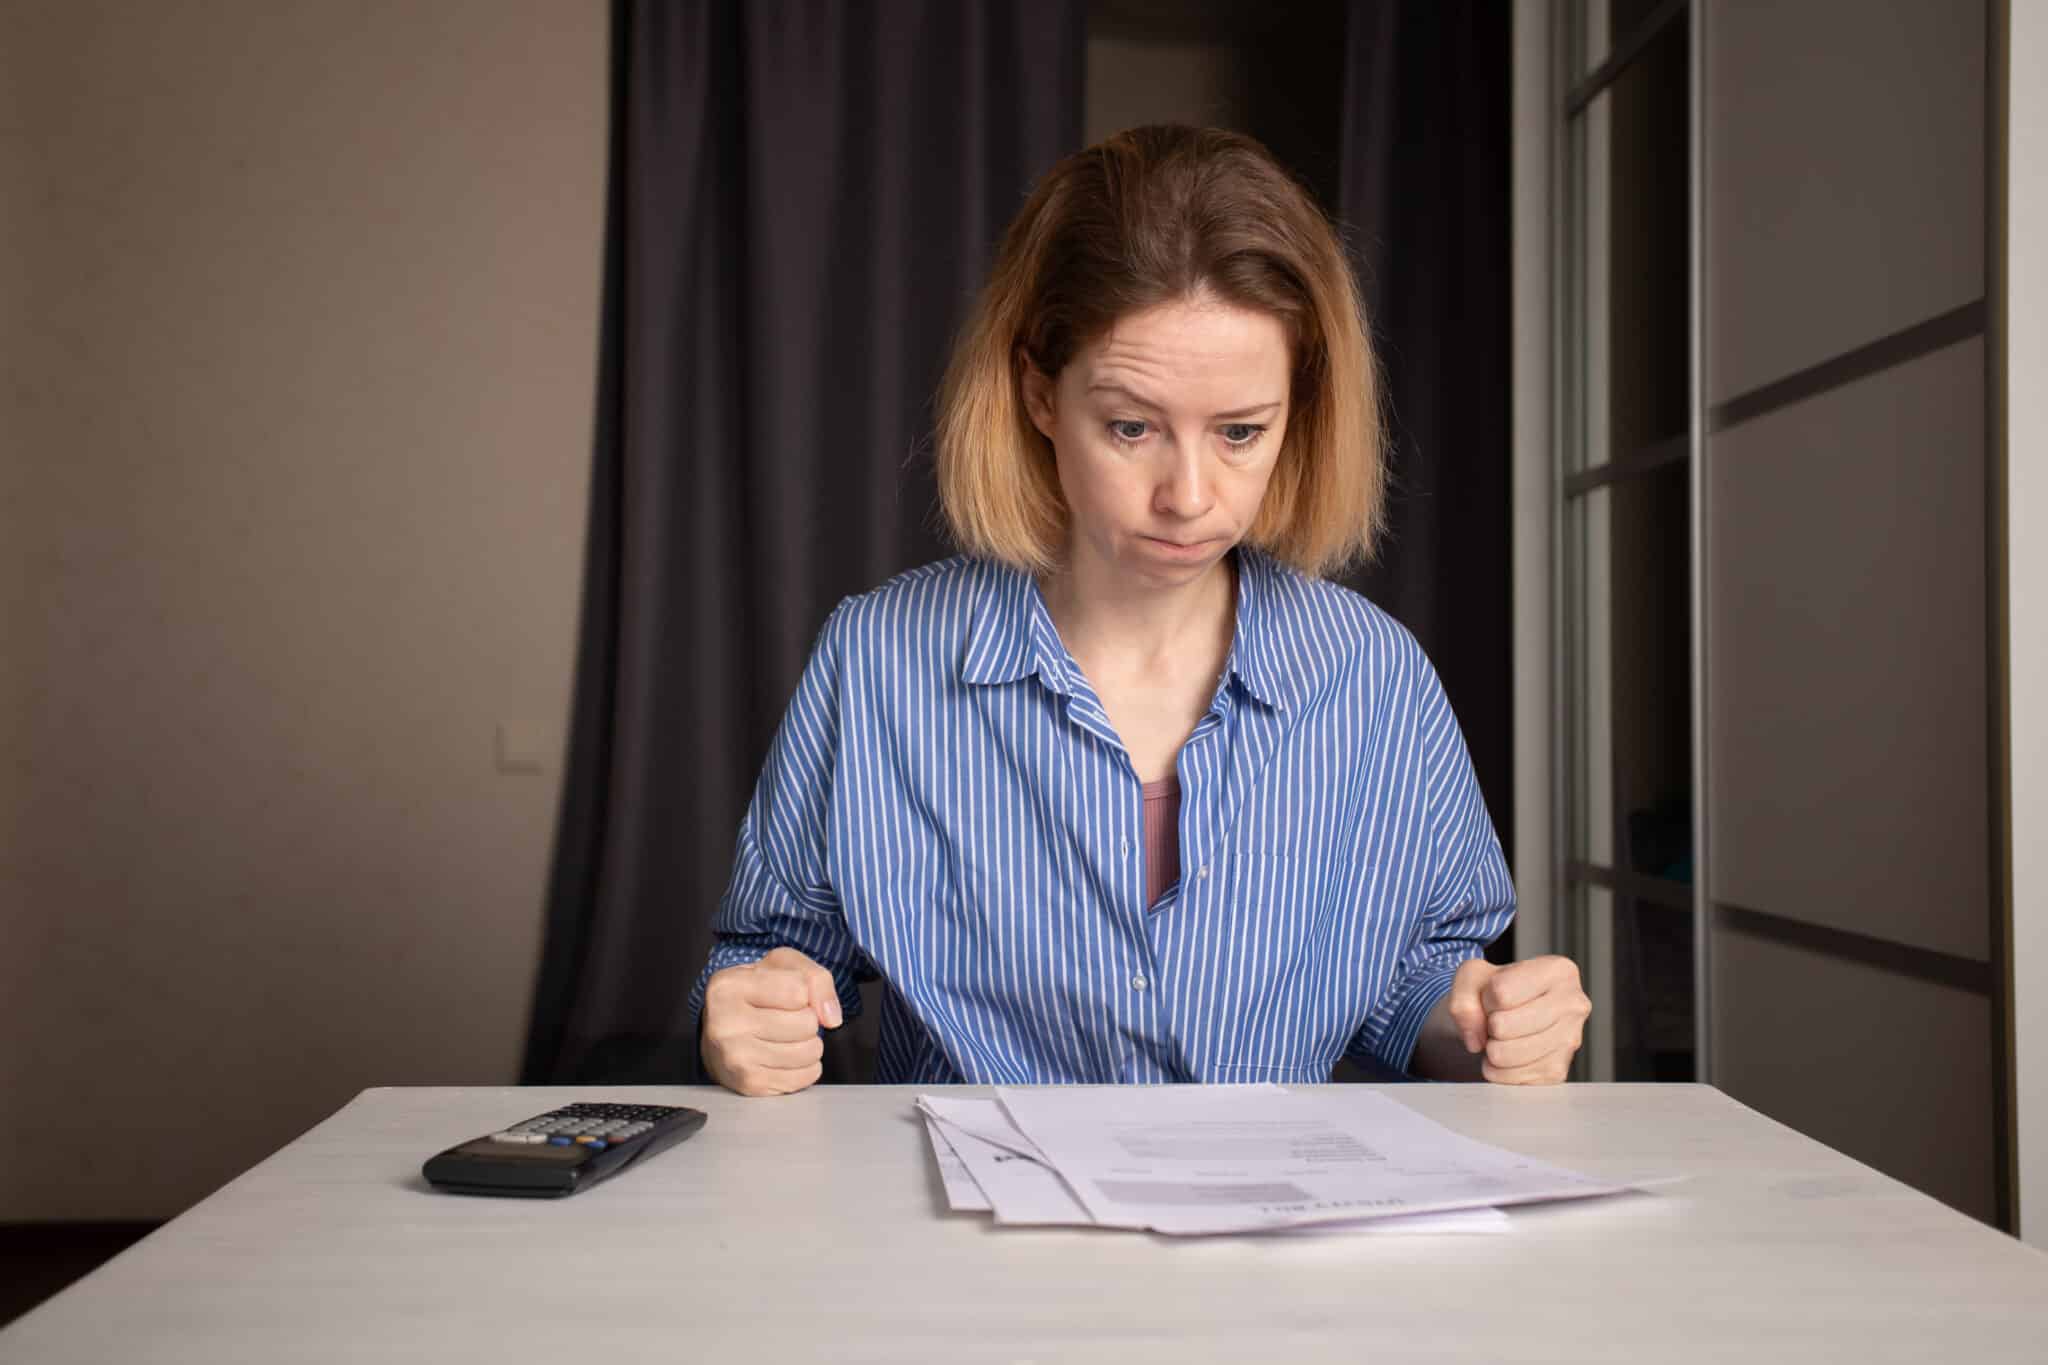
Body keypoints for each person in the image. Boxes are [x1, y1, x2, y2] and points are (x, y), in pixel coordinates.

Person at [692, 125, 1590, 1096]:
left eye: (1240, 432)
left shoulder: (1373, 675)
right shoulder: (879, 659)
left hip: (1267, 1195)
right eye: (1131, 427)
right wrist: (753, 1015)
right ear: (1039, 394)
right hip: (955, 1196)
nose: (1189, 497)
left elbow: (1416, 983)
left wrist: (1484, 1024)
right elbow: (770, 959)